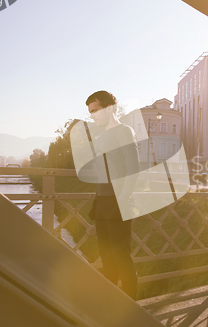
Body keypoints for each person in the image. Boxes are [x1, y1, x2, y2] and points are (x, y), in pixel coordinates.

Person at [86, 90, 139, 300]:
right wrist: (97, 201)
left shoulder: (124, 131)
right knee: (107, 259)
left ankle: (130, 312)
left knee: (121, 259)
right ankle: (111, 307)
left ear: (109, 108)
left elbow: (133, 168)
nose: (92, 115)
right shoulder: (102, 137)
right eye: (90, 112)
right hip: (103, 203)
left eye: (95, 110)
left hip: (119, 203)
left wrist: (121, 201)